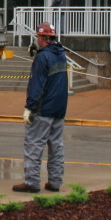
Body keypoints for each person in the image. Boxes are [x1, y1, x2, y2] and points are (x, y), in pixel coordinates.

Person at [13, 22, 69, 194]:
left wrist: (29, 107)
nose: (37, 39)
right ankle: (55, 181)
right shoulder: (61, 55)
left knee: (33, 145)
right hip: (59, 109)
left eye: (38, 37)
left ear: (43, 38)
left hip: (43, 109)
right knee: (56, 146)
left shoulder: (42, 58)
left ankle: (32, 182)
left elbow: (36, 85)